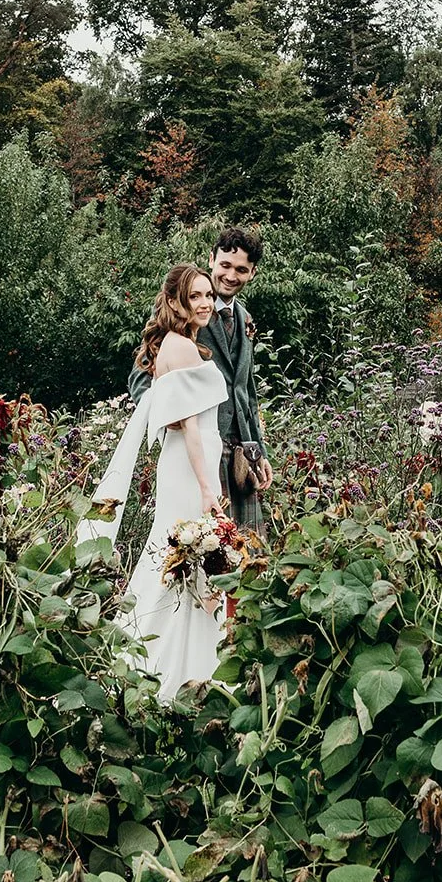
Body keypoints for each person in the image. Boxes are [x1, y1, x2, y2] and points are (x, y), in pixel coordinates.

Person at [85, 264, 230, 700]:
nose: (205, 303)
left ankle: (165, 663)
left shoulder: (173, 344)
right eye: (195, 297)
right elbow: (188, 425)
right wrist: (208, 487)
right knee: (189, 557)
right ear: (174, 302)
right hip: (191, 468)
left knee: (175, 561)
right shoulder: (183, 349)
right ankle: (176, 667)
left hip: (185, 464)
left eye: (208, 295)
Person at [129, 227, 272, 534]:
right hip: (200, 450)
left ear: (252, 273)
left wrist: (258, 450)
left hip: (241, 455)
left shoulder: (246, 318)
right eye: (225, 265)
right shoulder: (182, 310)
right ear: (212, 259)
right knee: (207, 549)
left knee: (248, 554)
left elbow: (246, 391)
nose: (231, 275)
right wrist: (168, 416)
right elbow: (142, 375)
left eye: (241, 270)